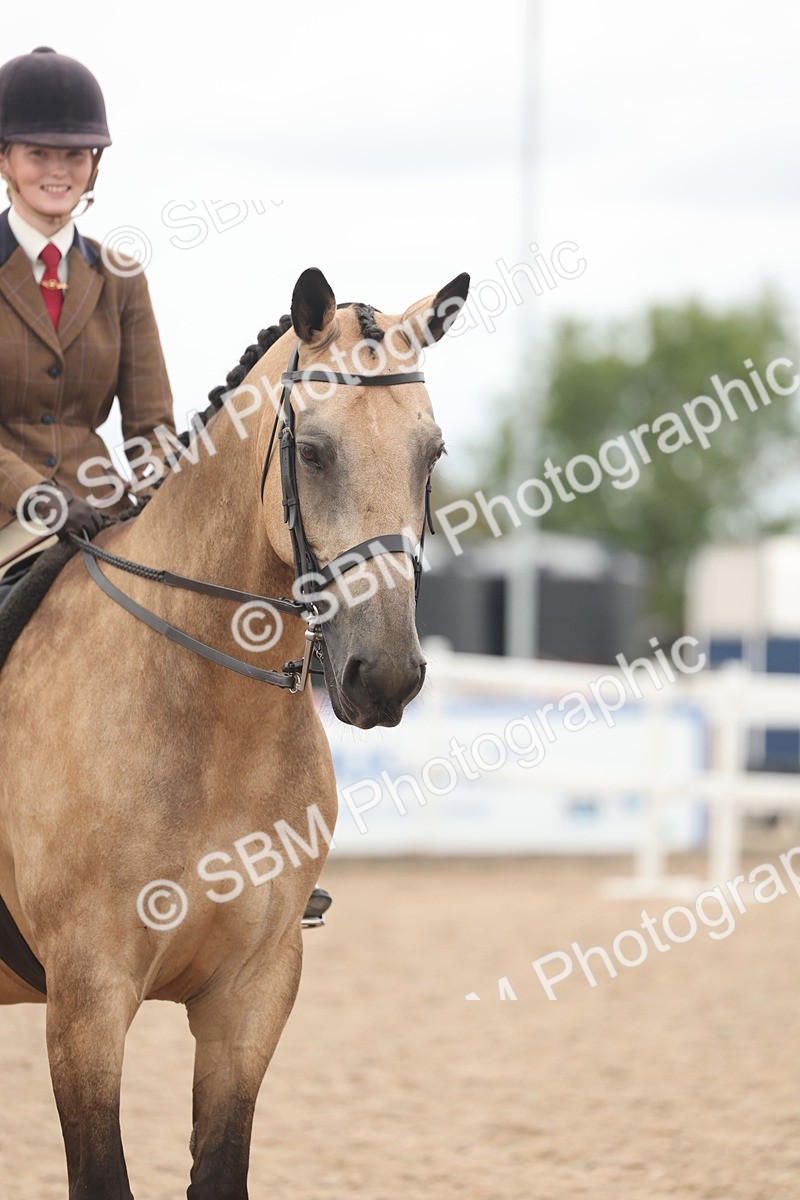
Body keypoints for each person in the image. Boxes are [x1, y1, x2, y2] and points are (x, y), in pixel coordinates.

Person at [0, 46, 175, 587]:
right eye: (38, 154)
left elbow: (151, 430)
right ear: (4, 158)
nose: (59, 171)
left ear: (94, 163)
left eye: (75, 155)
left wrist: (158, 496)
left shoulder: (121, 277)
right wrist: (39, 496)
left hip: (99, 513)